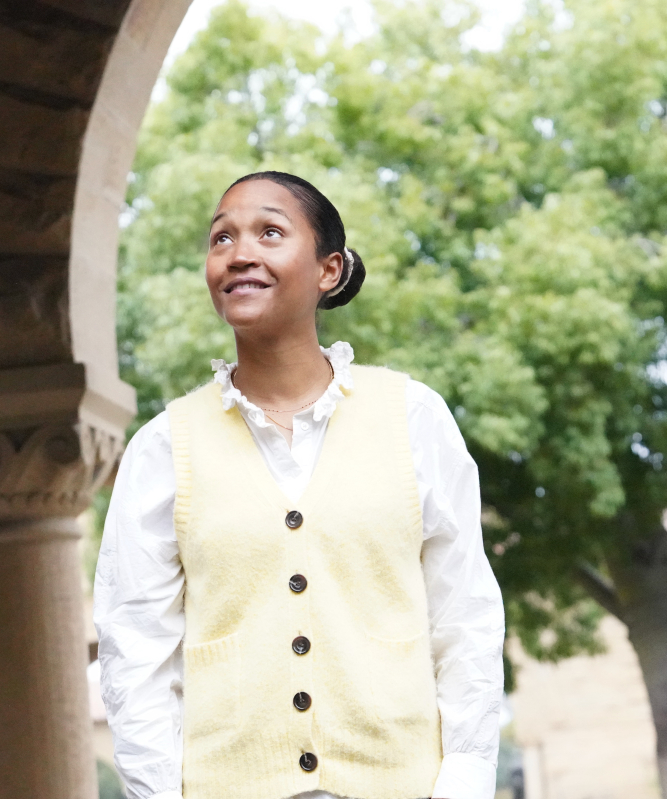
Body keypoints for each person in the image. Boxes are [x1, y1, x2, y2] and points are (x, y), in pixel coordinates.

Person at [93, 171, 505, 799]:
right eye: (221, 238)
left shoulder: (414, 417)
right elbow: (136, 652)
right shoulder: (162, 448)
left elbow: (466, 616)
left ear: (328, 269)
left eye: (270, 232)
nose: (240, 253)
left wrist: (464, 784)